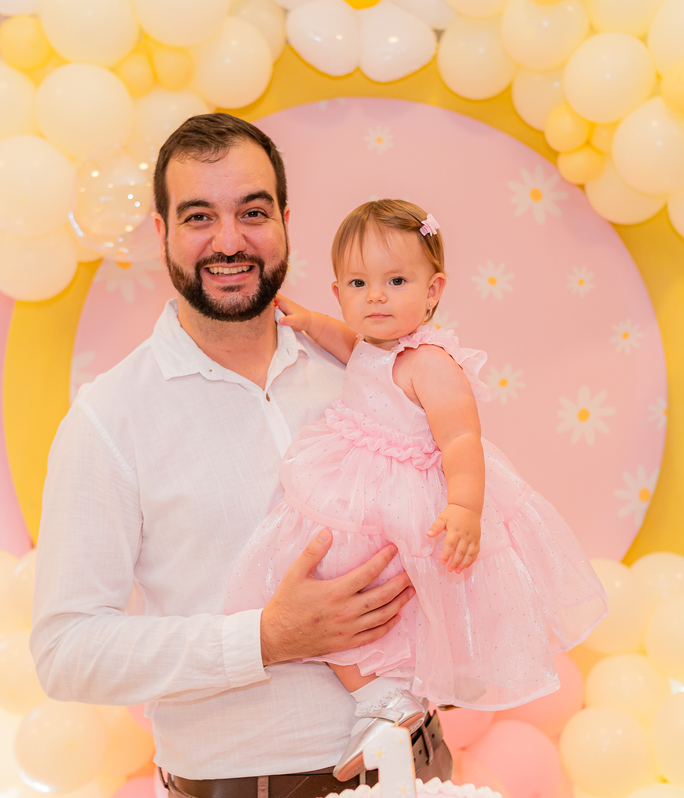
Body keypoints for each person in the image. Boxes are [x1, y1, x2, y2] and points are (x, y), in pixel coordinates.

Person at [30, 114, 452, 798]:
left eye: (252, 212)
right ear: (162, 232)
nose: (229, 241)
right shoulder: (109, 418)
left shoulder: (363, 364)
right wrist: (264, 638)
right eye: (199, 216)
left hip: (419, 765)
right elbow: (67, 653)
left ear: (284, 221)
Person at [224, 199, 609, 779]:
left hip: (404, 497)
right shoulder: (371, 345)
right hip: (356, 483)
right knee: (323, 587)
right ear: (339, 292)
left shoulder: (429, 361)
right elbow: (347, 346)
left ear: (433, 291)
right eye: (359, 284)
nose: (375, 297)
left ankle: (390, 696)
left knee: (385, 594)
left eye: (396, 281)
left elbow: (461, 439)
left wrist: (465, 507)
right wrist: (308, 321)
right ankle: (380, 698)